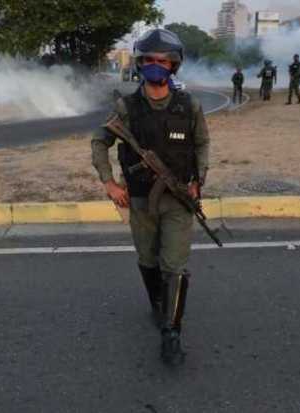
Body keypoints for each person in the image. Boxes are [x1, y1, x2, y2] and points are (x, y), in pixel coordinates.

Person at [91, 29, 210, 365]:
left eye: (163, 61)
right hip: (140, 200)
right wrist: (109, 183)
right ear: (140, 64)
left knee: (174, 264)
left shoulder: (190, 105)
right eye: (149, 60)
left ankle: (171, 332)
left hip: (178, 199)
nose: (156, 66)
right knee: (148, 258)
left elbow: (201, 144)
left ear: (173, 66)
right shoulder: (125, 107)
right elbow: (99, 141)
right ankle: (158, 304)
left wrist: (200, 180)